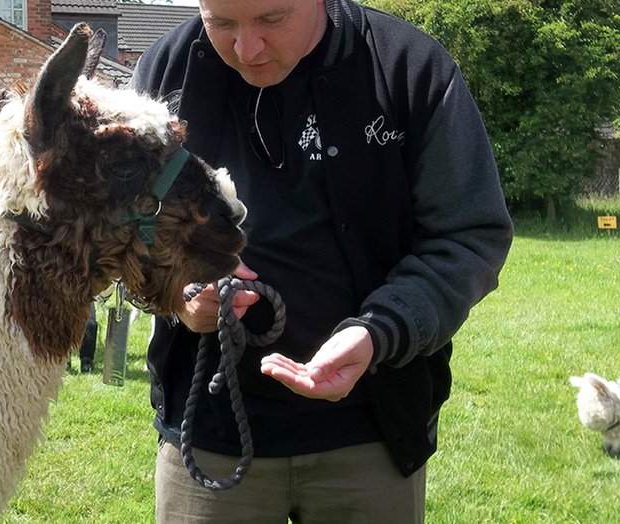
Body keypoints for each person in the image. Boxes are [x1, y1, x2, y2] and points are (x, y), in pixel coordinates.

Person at [130, 0, 514, 522]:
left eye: (271, 19)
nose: (246, 48)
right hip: (209, 439)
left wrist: (380, 331)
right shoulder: (164, 75)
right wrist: (177, 295)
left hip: (369, 439)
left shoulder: (408, 68)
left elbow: (470, 235)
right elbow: (129, 232)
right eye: (220, 23)